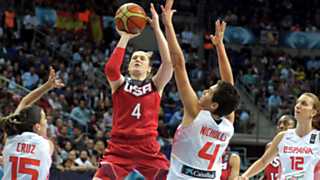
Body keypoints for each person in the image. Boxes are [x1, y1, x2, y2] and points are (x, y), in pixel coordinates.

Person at [93, 4, 173, 180]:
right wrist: (125, 37)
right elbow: (111, 70)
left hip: (148, 148)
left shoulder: (156, 85)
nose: (137, 59)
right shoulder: (119, 84)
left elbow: (168, 63)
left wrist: (157, 28)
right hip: (118, 147)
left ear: (149, 68)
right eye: (134, 58)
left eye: (142, 58)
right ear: (128, 66)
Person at [162, 0, 240, 179]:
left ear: (213, 105)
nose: (204, 91)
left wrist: (168, 25)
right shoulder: (228, 125)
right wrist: (220, 46)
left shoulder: (195, 112)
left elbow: (179, 64)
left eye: (209, 92)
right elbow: (229, 84)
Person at [0, 67, 64, 180]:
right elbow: (25, 102)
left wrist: (47, 86)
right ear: (37, 127)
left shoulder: (10, 139)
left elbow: (24, 102)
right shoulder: (48, 145)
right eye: (44, 120)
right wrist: (48, 86)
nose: (47, 124)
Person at [240, 93, 320, 180]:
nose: (298, 106)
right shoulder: (282, 136)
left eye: (304, 103)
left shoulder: (318, 137)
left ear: (313, 112)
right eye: (297, 102)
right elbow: (263, 161)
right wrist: (244, 176)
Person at [260, 115, 296, 180]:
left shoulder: (299, 148)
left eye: (286, 123)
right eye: (279, 123)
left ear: (295, 128)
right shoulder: (269, 146)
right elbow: (266, 174)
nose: (281, 126)